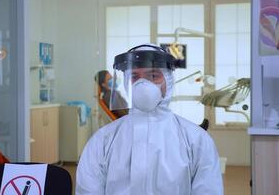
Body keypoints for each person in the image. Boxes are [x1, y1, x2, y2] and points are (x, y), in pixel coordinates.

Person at [76, 44, 223, 194]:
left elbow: (208, 189)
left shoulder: (196, 140)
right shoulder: (102, 141)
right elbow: (88, 189)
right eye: (134, 77)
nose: (143, 85)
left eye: (153, 76)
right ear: (127, 82)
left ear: (168, 80)